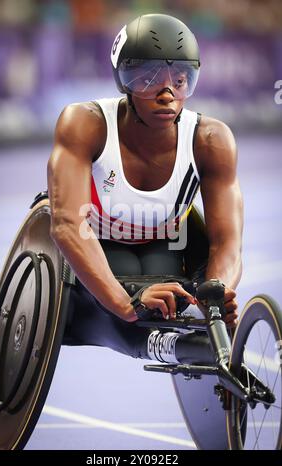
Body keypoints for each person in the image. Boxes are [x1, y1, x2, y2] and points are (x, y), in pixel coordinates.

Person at [47, 14, 243, 363]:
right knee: (129, 274)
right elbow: (66, 225)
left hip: (164, 248)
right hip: (95, 248)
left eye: (181, 80)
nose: (167, 95)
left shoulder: (212, 140)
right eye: (150, 79)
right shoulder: (84, 124)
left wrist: (217, 293)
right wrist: (126, 304)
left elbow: (227, 242)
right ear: (124, 81)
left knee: (168, 272)